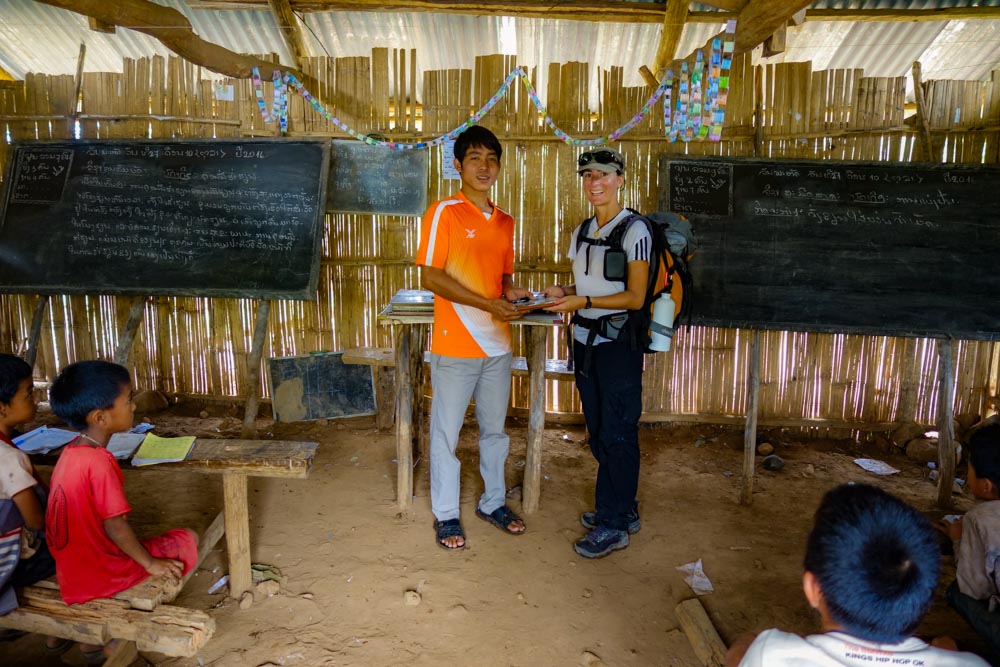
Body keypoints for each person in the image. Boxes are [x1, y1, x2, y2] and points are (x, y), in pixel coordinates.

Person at [415, 125, 531, 550]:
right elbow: (431, 277)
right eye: (475, 158)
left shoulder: (504, 221)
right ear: (458, 165)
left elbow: (499, 281)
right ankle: (446, 515)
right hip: (455, 344)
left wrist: (511, 293)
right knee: (445, 434)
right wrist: (488, 305)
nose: (484, 166)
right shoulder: (444, 212)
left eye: (492, 159)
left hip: (497, 346)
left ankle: (493, 502)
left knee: (494, 432)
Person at [725, 483, 990, 666]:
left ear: (812, 588)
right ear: (927, 594)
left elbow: (738, 654)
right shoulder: (971, 664)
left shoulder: (771, 655)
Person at [46, 360, 198, 661]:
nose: (133, 407)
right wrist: (151, 563)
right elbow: (116, 527)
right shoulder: (100, 462)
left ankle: (88, 644)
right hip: (99, 575)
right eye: (127, 401)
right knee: (188, 538)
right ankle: (118, 641)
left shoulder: (70, 453)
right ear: (101, 417)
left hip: (71, 573)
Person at [543, 148, 648, 558]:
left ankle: (613, 523)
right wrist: (564, 292)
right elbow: (589, 286)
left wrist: (581, 302)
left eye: (603, 174)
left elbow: (635, 297)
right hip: (584, 343)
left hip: (618, 346)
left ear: (620, 179)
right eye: (587, 175)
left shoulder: (634, 231)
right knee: (601, 430)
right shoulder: (583, 230)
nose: (594, 182)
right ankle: (623, 505)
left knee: (619, 432)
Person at [0, 354, 74, 656]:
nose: (35, 398)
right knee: (80, 546)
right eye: (28, 393)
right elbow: (36, 522)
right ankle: (76, 631)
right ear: (2, 407)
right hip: (15, 567)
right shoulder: (8, 459)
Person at [937, 423, 1000, 662]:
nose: (966, 471)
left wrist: (957, 539)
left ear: (986, 485)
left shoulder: (978, 518)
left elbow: (974, 588)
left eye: (969, 467)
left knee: (956, 592)